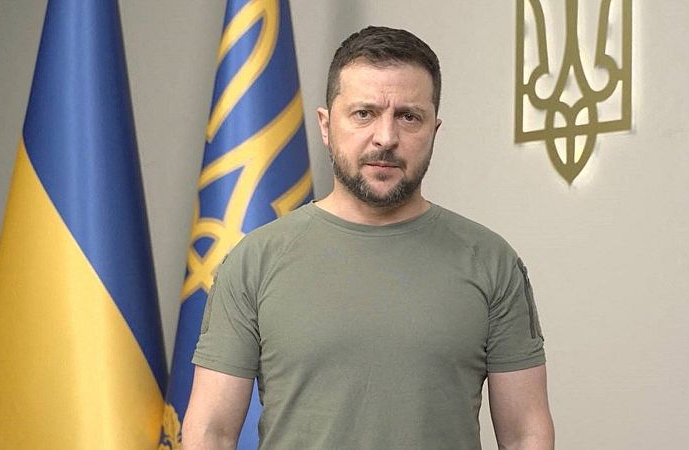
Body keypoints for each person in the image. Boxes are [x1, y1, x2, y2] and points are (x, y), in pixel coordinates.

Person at [183, 26, 554, 450]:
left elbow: (526, 434)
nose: (386, 138)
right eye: (364, 113)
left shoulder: (491, 261)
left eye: (408, 117)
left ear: (434, 130)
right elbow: (211, 432)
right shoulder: (254, 262)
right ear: (326, 125)